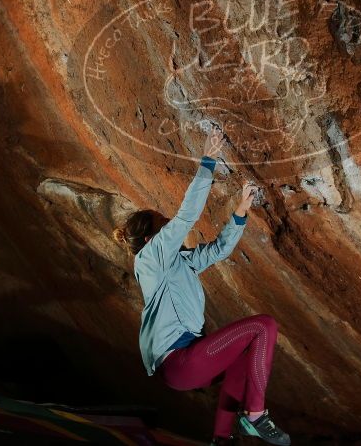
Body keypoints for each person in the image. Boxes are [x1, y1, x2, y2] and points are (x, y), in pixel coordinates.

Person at [113, 125, 290, 446]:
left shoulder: (175, 263)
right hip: (181, 361)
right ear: (153, 239)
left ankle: (221, 439)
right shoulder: (150, 259)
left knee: (245, 355)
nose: (171, 230)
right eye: (164, 227)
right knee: (265, 327)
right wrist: (208, 159)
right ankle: (255, 416)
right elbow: (186, 217)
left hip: (189, 362)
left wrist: (241, 209)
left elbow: (218, 250)